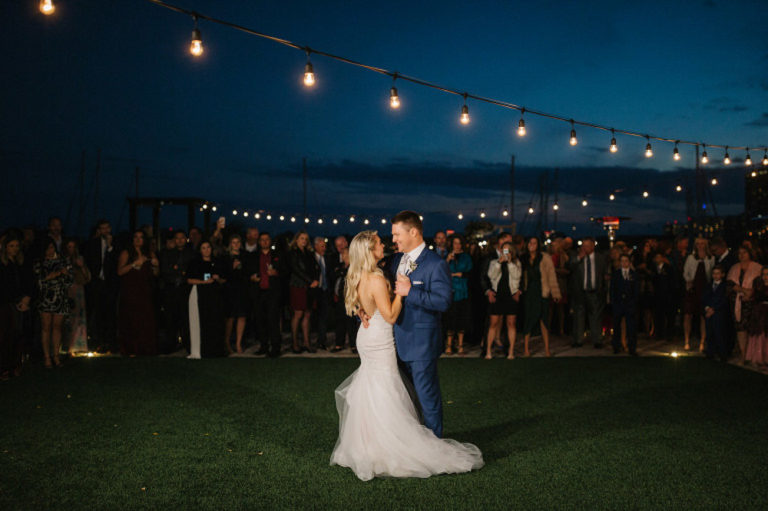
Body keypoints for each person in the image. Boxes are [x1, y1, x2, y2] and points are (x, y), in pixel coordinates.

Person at [330, 229, 483, 481]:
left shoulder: (358, 275)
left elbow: (360, 303)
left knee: (373, 386)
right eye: (379, 243)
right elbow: (390, 315)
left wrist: (361, 310)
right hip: (380, 338)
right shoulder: (377, 279)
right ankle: (389, 445)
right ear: (370, 250)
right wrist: (403, 292)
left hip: (366, 336)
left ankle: (368, 444)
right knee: (385, 387)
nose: (385, 245)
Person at [116, 230, 159, 356]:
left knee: (146, 319)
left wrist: (156, 265)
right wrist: (134, 263)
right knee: (131, 319)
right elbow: (120, 271)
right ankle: (131, 349)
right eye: (136, 237)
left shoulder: (149, 253)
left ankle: (146, 348)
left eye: (141, 237)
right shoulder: (126, 253)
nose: (138, 239)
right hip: (130, 290)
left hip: (145, 290)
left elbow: (156, 274)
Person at [34, 238, 73, 368]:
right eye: (47, 248)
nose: (50, 251)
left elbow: (70, 280)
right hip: (45, 298)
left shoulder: (63, 261)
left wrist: (65, 274)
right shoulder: (39, 262)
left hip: (60, 297)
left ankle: (56, 355)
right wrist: (53, 275)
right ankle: (47, 357)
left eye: (52, 248)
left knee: (57, 327)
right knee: (46, 327)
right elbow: (39, 281)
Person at [520, 237, 561, 357]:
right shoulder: (523, 258)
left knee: (543, 319)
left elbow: (551, 276)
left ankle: (547, 349)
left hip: (542, 290)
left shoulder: (545, 258)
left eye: (534, 243)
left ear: (538, 245)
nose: (532, 245)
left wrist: (556, 293)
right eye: (530, 243)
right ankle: (526, 349)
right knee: (529, 318)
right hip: (529, 292)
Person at [0, 232, 32, 380]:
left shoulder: (21, 263)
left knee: (17, 334)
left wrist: (26, 298)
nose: (14, 249)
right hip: (5, 304)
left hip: (18, 303)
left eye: (16, 246)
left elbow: (28, 282)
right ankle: (4, 367)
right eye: (11, 246)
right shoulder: (3, 264)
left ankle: (15, 365)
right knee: (5, 335)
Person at [187, 241, 227, 358]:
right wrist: (204, 282)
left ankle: (217, 350)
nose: (206, 250)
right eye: (203, 248)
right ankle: (201, 350)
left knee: (216, 322)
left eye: (208, 247)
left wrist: (218, 278)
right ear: (200, 250)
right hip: (200, 295)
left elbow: (224, 280)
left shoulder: (217, 262)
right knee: (202, 322)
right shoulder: (195, 263)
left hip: (215, 295)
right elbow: (189, 280)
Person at [83, 219, 118, 352]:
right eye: (102, 228)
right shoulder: (92, 244)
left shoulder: (116, 242)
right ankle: (100, 342)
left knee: (111, 314)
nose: (105, 230)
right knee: (98, 314)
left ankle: (112, 342)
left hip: (110, 284)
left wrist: (109, 247)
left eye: (107, 228)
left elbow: (116, 261)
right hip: (97, 283)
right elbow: (90, 261)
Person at [569, 237, 609, 348]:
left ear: (592, 246)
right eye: (583, 245)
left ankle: (597, 340)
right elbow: (570, 267)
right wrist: (578, 258)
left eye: (587, 245)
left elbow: (605, 273)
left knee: (596, 316)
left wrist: (603, 289)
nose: (584, 248)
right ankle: (578, 340)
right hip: (580, 291)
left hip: (595, 291)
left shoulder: (600, 258)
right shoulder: (577, 257)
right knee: (579, 316)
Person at [248, 232, 282, 357]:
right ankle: (263, 346)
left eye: (267, 239)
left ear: (270, 241)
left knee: (273, 321)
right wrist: (251, 277)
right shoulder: (253, 256)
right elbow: (248, 271)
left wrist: (276, 272)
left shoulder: (277, 255)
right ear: (259, 242)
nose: (264, 242)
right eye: (262, 240)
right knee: (260, 321)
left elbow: (285, 271)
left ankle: (275, 347)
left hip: (272, 292)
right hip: (258, 292)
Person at [485, 241, 521, 359]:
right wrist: (499, 263)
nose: (505, 253)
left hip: (510, 296)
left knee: (511, 323)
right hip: (498, 295)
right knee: (493, 323)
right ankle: (488, 352)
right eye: (503, 250)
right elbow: (491, 276)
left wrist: (510, 262)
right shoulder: (494, 262)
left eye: (507, 250)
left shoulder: (516, 263)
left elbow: (517, 276)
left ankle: (511, 352)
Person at [727, 246, 762, 364]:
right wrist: (743, 290)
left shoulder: (757, 268)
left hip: (753, 303)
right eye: (739, 253)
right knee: (740, 328)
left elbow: (760, 285)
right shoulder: (734, 268)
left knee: (752, 328)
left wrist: (750, 293)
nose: (742, 255)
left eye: (744, 252)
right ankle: (743, 354)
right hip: (738, 302)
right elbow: (730, 284)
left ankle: (754, 355)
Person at [159, 230, 194, 353]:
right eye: (177, 238)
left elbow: (191, 270)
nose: (179, 240)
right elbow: (165, 271)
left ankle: (187, 344)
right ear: (174, 240)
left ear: (186, 239)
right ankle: (170, 345)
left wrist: (179, 270)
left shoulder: (191, 253)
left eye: (182, 238)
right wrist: (179, 271)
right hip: (171, 289)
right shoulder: (167, 253)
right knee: (170, 318)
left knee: (186, 318)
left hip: (185, 289)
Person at [287, 231, 320, 353]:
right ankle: (295, 343)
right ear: (296, 240)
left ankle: (306, 343)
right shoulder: (292, 253)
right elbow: (295, 269)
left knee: (307, 314)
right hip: (298, 286)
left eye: (306, 238)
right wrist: (310, 281)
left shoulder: (309, 253)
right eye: (301, 238)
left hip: (310, 287)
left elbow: (317, 267)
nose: (304, 241)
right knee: (298, 314)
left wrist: (315, 280)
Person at [682, 237, 714, 352]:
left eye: (702, 244)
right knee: (688, 315)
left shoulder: (711, 258)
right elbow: (685, 272)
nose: (700, 246)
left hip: (704, 289)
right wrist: (688, 280)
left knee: (703, 316)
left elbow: (711, 275)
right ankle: (686, 340)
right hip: (692, 289)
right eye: (698, 244)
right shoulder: (691, 258)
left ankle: (702, 341)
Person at [445, 234, 472, 355]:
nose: (457, 245)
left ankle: (460, 345)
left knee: (461, 318)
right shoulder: (447, 256)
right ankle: (449, 345)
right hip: (450, 292)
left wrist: (455, 275)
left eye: (459, 243)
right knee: (450, 318)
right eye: (455, 243)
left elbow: (468, 273)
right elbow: (441, 272)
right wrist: (447, 260)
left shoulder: (466, 257)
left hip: (463, 291)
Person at [222, 234, 250, 354]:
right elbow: (223, 275)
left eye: (238, 242)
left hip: (242, 289)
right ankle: (227, 342)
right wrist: (231, 267)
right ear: (230, 244)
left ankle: (238, 343)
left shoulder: (245, 256)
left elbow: (248, 272)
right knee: (230, 317)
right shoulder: (225, 257)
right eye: (233, 242)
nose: (236, 244)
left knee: (242, 316)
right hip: (230, 289)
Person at [331, 236, 358, 353]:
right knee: (340, 321)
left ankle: (353, 345)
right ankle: (339, 343)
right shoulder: (340, 267)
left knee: (351, 322)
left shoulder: (353, 268)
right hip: (339, 299)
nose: (342, 256)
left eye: (344, 254)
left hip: (350, 298)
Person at [64, 239, 90, 355]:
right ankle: (67, 344)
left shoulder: (79, 259)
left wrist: (81, 266)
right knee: (68, 317)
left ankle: (78, 344)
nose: (71, 249)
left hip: (78, 289)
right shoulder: (63, 261)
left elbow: (87, 277)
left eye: (73, 247)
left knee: (78, 316)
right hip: (67, 289)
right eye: (69, 247)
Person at [610, 254, 639, 355]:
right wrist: (613, 303)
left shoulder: (634, 274)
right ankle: (616, 347)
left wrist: (634, 302)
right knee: (617, 326)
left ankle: (632, 348)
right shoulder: (616, 274)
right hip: (618, 304)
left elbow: (636, 290)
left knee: (631, 327)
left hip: (630, 304)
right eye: (622, 261)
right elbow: (612, 290)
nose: (624, 263)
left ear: (629, 262)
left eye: (626, 261)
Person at [702, 265, 729, 362]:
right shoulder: (708, 285)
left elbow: (724, 300)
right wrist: (707, 308)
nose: (715, 275)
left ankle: (722, 353)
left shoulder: (725, 286)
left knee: (720, 333)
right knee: (710, 332)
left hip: (719, 313)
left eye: (718, 273)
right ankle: (710, 352)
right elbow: (704, 298)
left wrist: (714, 309)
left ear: (722, 274)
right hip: (709, 312)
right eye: (714, 273)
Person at [746, 267, 768, 368]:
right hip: (760, 315)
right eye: (763, 274)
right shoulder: (759, 286)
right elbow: (754, 299)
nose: (765, 277)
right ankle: (760, 358)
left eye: (767, 274)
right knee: (760, 336)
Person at [651, 251, 675, 341]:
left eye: (659, 257)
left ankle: (669, 334)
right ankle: (659, 333)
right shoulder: (653, 269)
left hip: (667, 295)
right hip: (657, 295)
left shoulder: (668, 268)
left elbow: (672, 281)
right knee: (658, 315)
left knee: (668, 315)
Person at [313, 237, 332, 350]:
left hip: (325, 291)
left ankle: (322, 341)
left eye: (324, 246)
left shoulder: (328, 258)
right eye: (321, 246)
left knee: (324, 317)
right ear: (315, 246)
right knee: (313, 317)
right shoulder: (310, 258)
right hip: (314, 291)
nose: (324, 248)